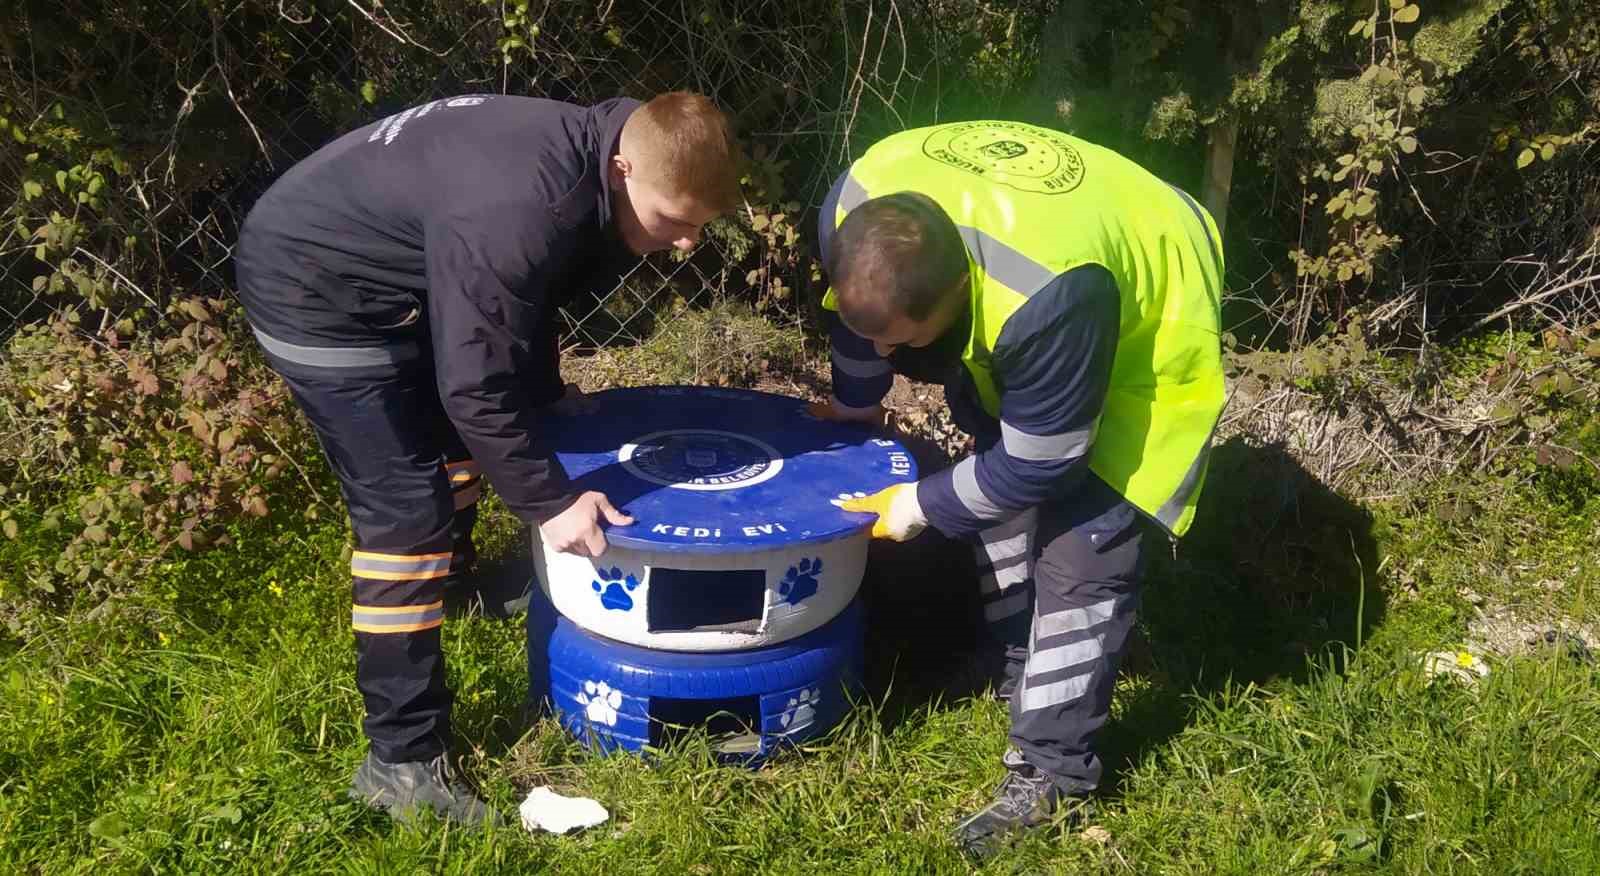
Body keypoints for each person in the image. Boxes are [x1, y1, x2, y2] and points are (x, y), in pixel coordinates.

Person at [233, 91, 741, 825]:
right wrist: (550, 503)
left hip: (397, 273)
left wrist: (541, 391)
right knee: (406, 513)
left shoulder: (588, 162)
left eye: (702, 224)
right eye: (677, 219)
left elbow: (512, 304)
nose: (689, 241)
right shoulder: (522, 206)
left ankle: (456, 586)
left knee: (462, 440)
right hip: (310, 283)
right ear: (624, 168)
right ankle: (399, 761)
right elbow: (474, 384)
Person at [811, 120, 1225, 858]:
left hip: (1144, 301)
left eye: (902, 341)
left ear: (962, 290)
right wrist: (857, 401)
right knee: (992, 466)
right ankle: (1011, 665)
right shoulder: (853, 205)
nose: (885, 354)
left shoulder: (1050, 298)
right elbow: (862, 323)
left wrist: (915, 507)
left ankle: (1052, 774)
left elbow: (1041, 463)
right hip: (1044, 275)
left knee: (1083, 552)